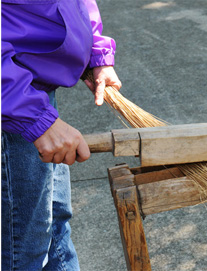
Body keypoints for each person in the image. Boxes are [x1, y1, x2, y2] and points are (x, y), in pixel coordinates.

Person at [1, 0, 121, 269]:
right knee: (24, 250)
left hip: (33, 97)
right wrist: (33, 118)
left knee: (55, 228)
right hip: (11, 108)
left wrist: (96, 53)